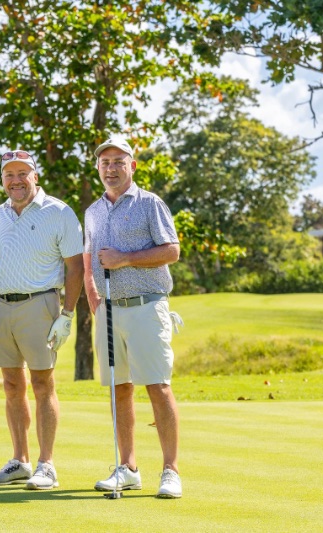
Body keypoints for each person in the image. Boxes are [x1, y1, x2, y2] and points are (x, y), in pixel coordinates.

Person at [83, 135, 183, 499]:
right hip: (109, 311)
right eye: (105, 163)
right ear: (98, 168)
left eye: (118, 162)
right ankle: (128, 469)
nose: (111, 169)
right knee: (119, 389)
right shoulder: (92, 211)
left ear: (132, 166)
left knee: (157, 385)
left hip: (146, 305)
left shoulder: (150, 203)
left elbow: (171, 251)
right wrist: (95, 302)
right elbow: (88, 260)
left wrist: (124, 258)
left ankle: (170, 471)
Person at [0, 149, 84, 490]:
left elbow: (75, 267)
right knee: (12, 385)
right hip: (1, 307)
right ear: (3, 180)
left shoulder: (59, 211)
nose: (16, 180)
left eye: (22, 173)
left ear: (35, 176)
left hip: (40, 305)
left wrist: (67, 314)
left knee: (42, 384)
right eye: (9, 175)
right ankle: (20, 461)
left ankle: (46, 464)